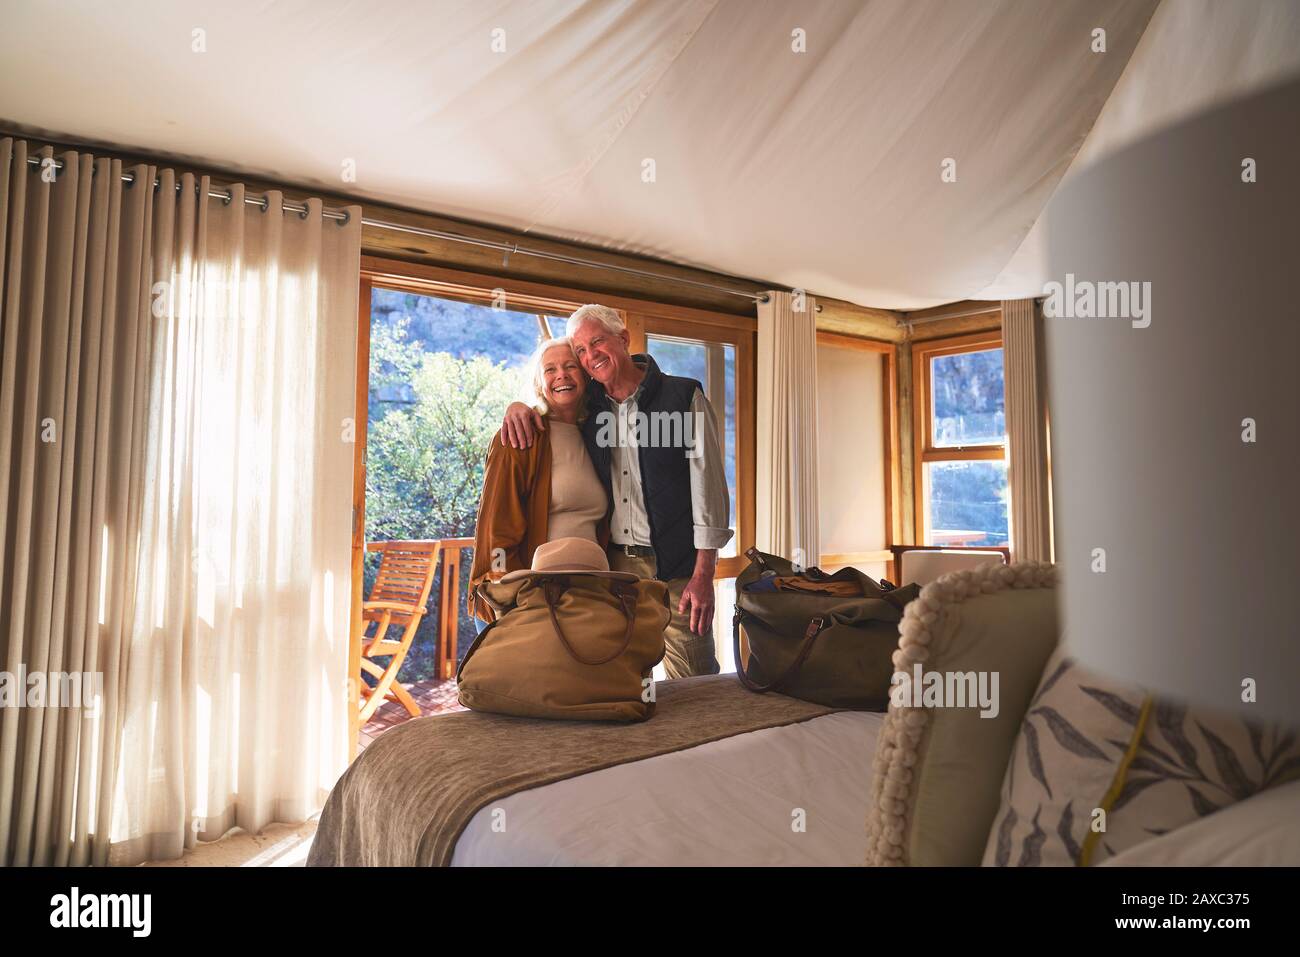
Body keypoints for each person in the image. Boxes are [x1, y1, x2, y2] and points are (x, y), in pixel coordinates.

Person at [500, 304, 732, 677]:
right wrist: (516, 407)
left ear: (623, 339)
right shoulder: (588, 407)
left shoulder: (682, 397)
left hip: (678, 570)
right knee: (622, 680)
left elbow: (709, 489)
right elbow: (550, 402)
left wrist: (704, 573)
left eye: (598, 342)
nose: (590, 357)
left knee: (696, 680)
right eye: (580, 351)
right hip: (614, 572)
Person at [468, 337, 607, 629]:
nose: (561, 375)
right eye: (550, 369)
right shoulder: (520, 437)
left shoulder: (596, 434)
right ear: (538, 383)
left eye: (571, 366)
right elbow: (496, 526)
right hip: (529, 599)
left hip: (585, 595)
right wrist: (506, 595)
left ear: (585, 375)